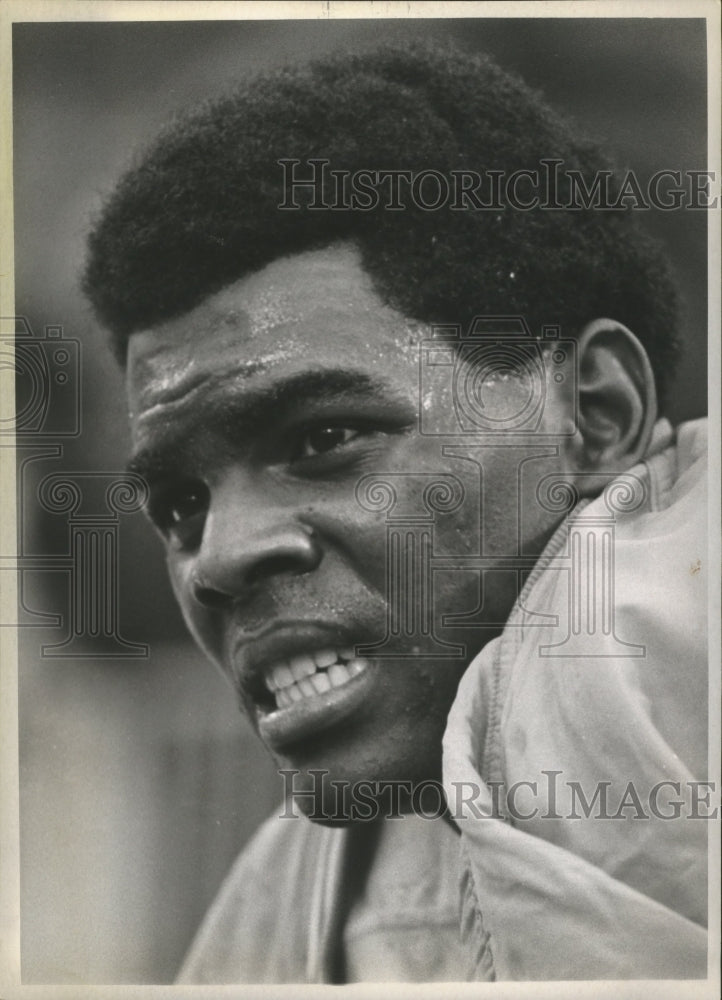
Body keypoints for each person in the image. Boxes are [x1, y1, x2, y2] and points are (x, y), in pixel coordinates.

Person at [82, 43, 708, 982]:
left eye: (323, 437)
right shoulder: (284, 899)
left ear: (597, 414)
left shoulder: (658, 615)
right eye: (179, 504)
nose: (215, 558)